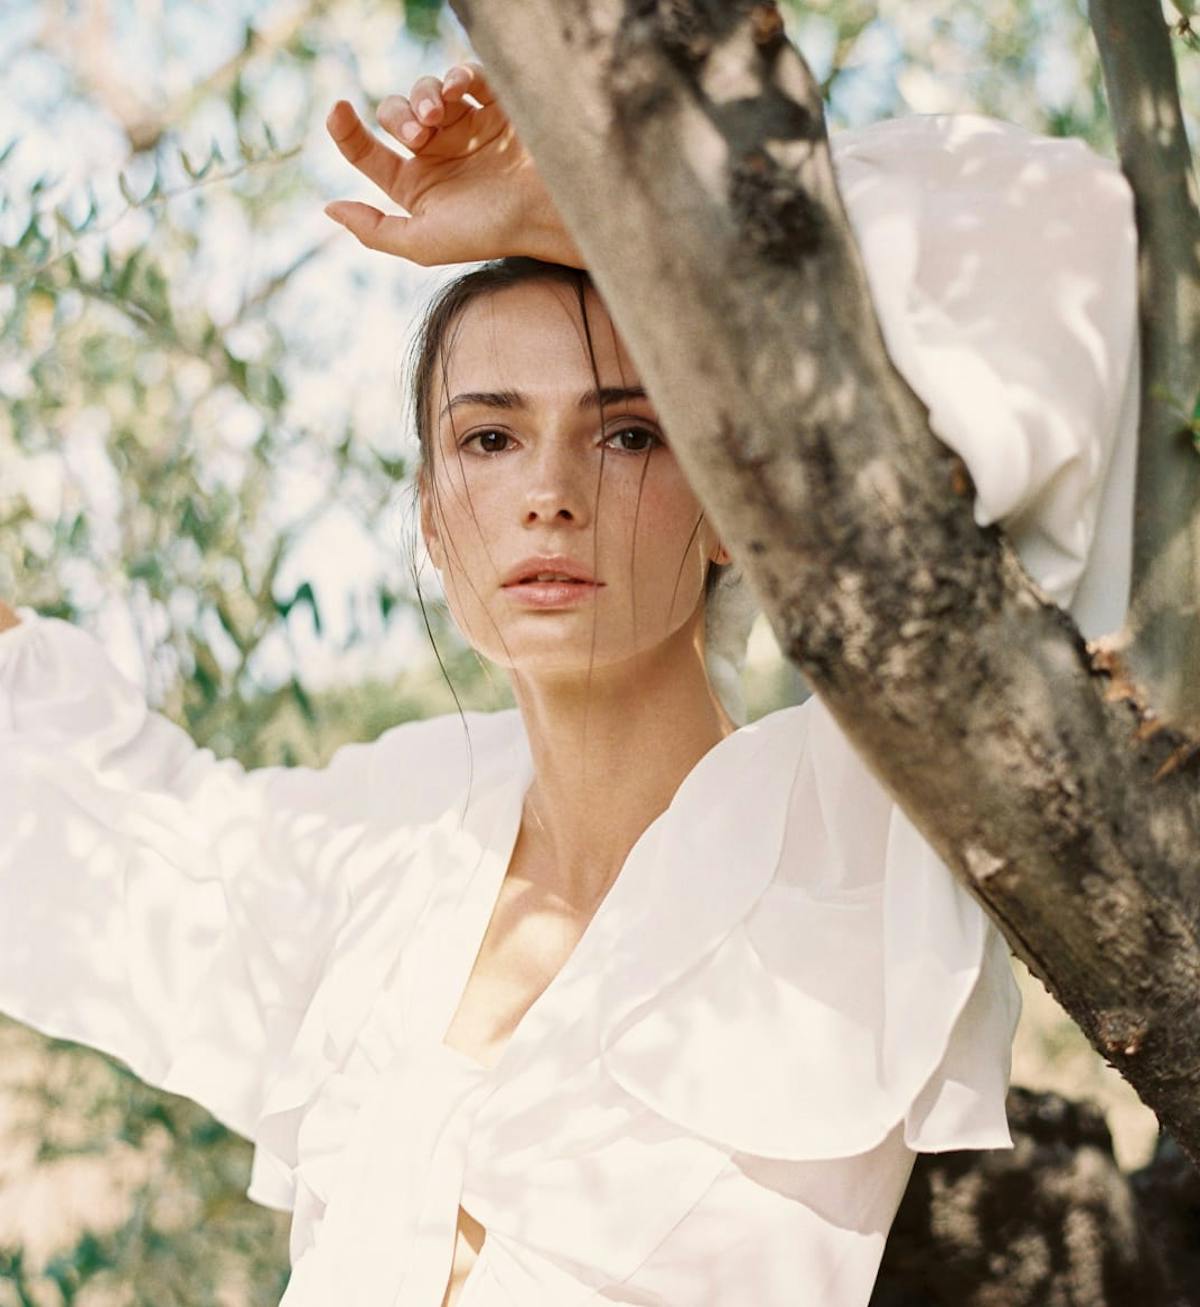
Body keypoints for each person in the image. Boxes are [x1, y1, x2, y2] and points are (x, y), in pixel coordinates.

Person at [0, 58, 1139, 1307]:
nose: (552, 490)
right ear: (434, 520)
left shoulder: (855, 819)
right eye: (489, 437)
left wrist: (587, 210)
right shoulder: (389, 844)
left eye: (631, 431)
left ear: (727, 509)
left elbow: (1056, 245)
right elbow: (91, 814)